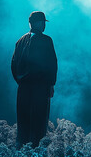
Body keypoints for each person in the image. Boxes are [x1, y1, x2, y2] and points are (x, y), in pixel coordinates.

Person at [11, 11, 57, 149]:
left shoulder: (20, 41)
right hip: (40, 88)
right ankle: (36, 155)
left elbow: (13, 65)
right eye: (43, 22)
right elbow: (52, 64)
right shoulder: (46, 40)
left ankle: (21, 154)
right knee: (39, 123)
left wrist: (21, 81)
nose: (44, 26)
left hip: (23, 88)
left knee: (23, 122)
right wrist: (50, 84)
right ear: (38, 23)